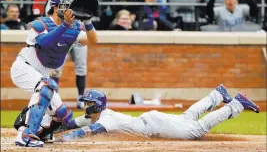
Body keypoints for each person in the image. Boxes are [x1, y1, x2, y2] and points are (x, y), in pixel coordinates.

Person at [10, 0, 97, 147]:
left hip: (43, 73)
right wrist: (65, 25)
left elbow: (92, 41)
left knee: (62, 115)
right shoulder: (40, 24)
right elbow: (46, 44)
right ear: (55, 8)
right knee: (46, 88)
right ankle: (25, 135)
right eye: (66, 6)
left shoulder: (75, 26)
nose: (70, 10)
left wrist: (88, 22)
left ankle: (39, 133)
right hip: (23, 68)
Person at [57, 84, 260, 141]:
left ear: (95, 105)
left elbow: (85, 132)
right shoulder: (90, 117)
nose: (84, 106)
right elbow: (70, 125)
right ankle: (216, 95)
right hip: (152, 121)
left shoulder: (106, 118)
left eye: (88, 103)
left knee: (196, 129)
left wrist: (61, 141)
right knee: (187, 118)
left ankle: (236, 105)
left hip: (154, 125)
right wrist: (51, 128)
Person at [45, 0, 91, 109]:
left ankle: (81, 97)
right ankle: (53, 97)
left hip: (79, 31)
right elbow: (49, 14)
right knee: (56, 67)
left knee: (81, 66)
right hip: (63, 32)